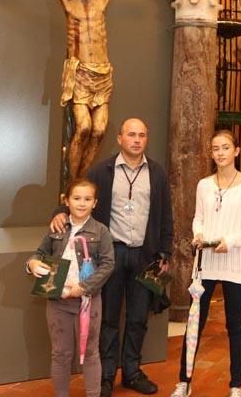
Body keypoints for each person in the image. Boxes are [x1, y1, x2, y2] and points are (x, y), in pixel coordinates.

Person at [0, 0, 191, 180]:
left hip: (103, 72)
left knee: (99, 129)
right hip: (80, 71)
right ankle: (75, 182)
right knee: (83, 128)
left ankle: (83, 178)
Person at [52, 118, 174, 397]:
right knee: (107, 318)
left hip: (146, 256)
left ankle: (131, 371)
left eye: (142, 135)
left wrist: (165, 251)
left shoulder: (157, 174)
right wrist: (58, 212)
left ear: (147, 139)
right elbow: (77, 194)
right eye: (131, 134)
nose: (136, 139)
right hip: (110, 255)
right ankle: (107, 375)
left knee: (138, 317)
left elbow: (166, 215)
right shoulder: (102, 171)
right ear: (119, 138)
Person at [170, 130, 241, 397]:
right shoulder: (204, 185)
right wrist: (198, 233)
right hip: (205, 264)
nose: (220, 153)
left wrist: (231, 241)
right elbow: (198, 217)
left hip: (235, 264)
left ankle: (236, 385)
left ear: (236, 151)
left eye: (225, 147)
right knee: (194, 323)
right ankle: (184, 382)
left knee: (234, 324)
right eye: (215, 148)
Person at [28, 178, 115, 397]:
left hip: (88, 303)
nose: (82, 203)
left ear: (95, 203)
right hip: (58, 303)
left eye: (87, 199)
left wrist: (84, 288)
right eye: (76, 198)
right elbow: (39, 254)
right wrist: (32, 264)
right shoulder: (56, 228)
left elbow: (107, 264)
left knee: (91, 353)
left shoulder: (101, 231)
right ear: (67, 201)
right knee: (60, 354)